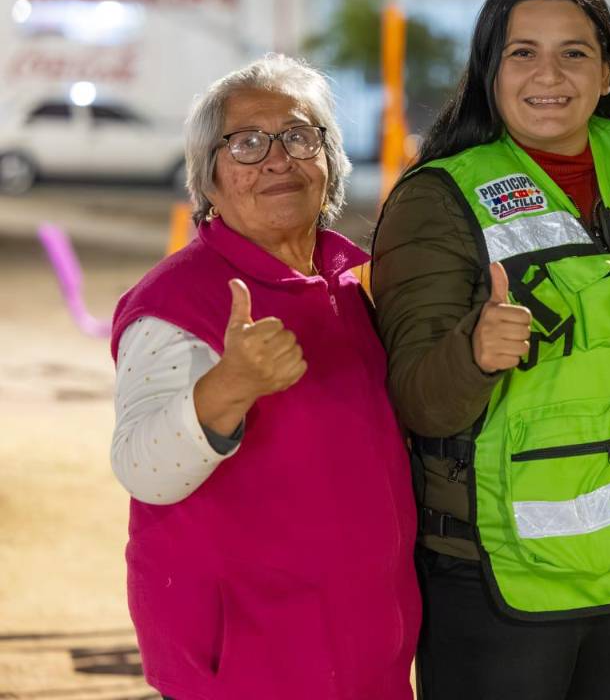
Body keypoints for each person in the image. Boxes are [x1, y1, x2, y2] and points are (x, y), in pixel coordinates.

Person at [371, 0, 610, 700]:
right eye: (522, 52)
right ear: (489, 67)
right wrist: (472, 354)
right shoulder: (437, 200)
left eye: (574, 52)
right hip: (501, 584)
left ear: (607, 67)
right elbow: (415, 401)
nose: (548, 75)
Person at [109, 54, 420, 699]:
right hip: (248, 665)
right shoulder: (175, 300)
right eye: (247, 144)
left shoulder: (356, 281)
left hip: (365, 653)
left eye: (300, 136)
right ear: (210, 180)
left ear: (330, 161)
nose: (278, 160)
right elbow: (141, 466)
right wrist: (231, 385)